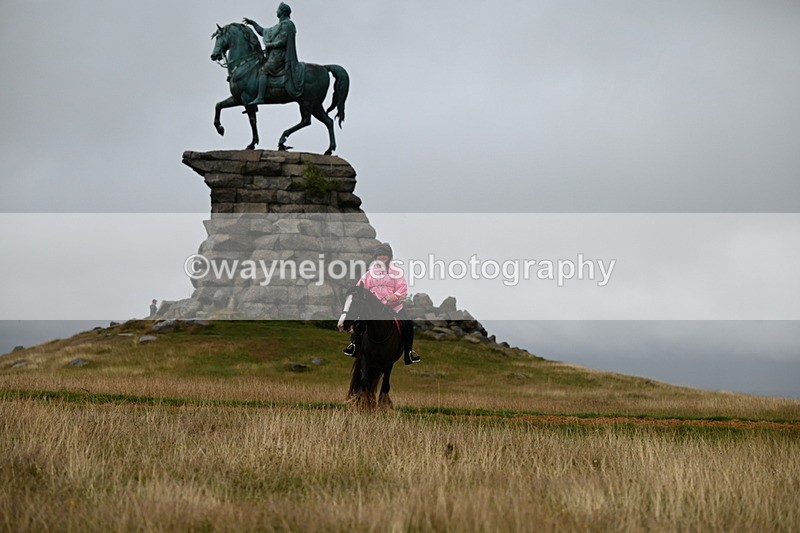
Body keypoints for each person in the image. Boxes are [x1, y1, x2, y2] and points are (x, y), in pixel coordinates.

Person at [344, 243, 421, 365]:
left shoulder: (397, 273)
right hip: (373, 308)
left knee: (407, 323)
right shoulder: (369, 274)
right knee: (359, 323)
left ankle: (409, 352)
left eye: (384, 255)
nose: (381, 257)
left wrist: (394, 297)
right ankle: (354, 345)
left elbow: (403, 288)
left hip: (393, 307)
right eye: (379, 255)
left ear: (390, 256)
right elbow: (360, 288)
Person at [243, 2, 305, 104]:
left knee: (264, 70)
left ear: (283, 12)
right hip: (273, 56)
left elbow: (283, 41)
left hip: (280, 57)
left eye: (278, 9)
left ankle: (260, 97)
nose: (276, 11)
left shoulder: (288, 24)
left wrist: (270, 45)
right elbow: (263, 31)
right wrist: (253, 23)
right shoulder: (278, 26)